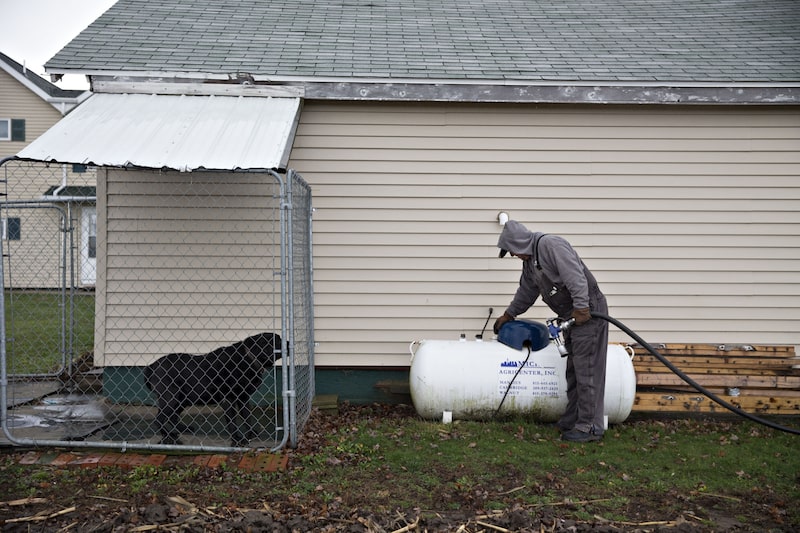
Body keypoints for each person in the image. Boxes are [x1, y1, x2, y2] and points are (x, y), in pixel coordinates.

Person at [493, 220, 609, 443]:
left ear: (519, 244)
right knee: (574, 370)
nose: (513, 256)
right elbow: (526, 292)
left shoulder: (550, 246)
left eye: (512, 252)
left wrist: (582, 307)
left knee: (587, 370)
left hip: (588, 313)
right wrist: (509, 315)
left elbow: (575, 276)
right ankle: (573, 421)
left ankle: (590, 427)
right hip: (572, 315)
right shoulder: (530, 263)